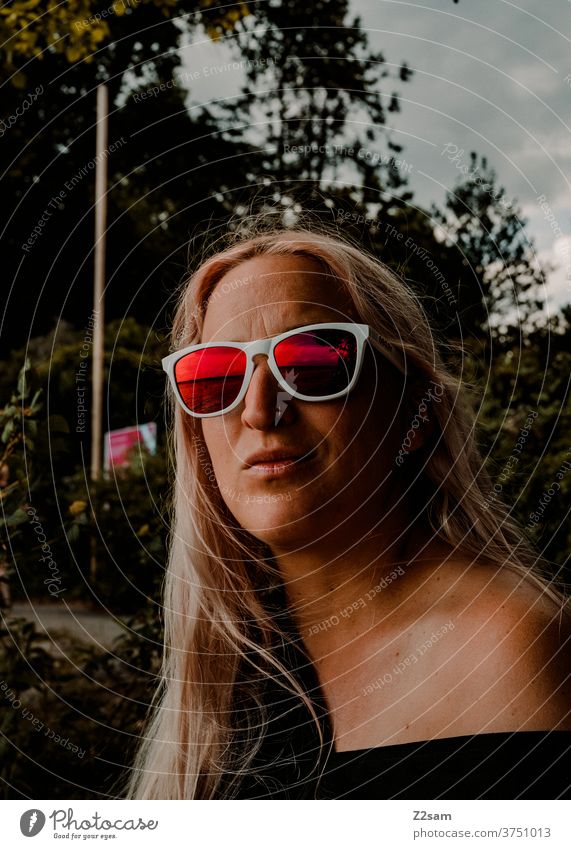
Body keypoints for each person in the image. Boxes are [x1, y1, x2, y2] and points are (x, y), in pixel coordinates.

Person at [128, 224, 571, 800]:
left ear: (412, 413)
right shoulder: (237, 659)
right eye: (216, 378)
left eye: (313, 363)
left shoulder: (506, 648)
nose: (260, 411)